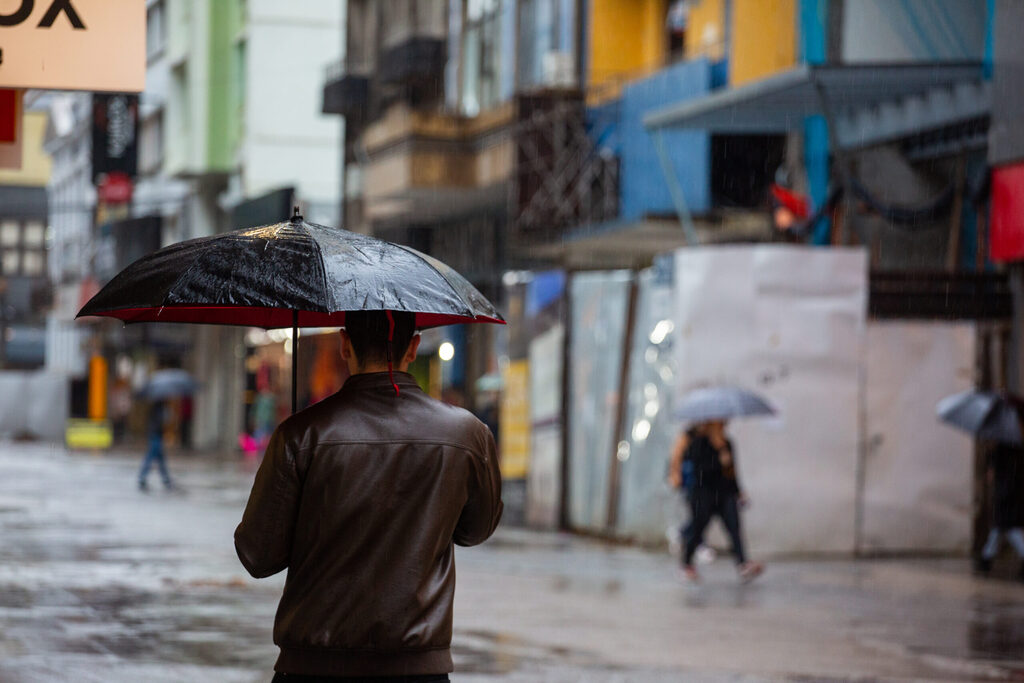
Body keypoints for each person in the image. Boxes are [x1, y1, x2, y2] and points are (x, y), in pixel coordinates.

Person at [235, 310, 503, 682]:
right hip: (418, 672)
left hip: (312, 669)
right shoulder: (467, 434)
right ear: (414, 347)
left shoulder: (302, 434)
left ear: (345, 344)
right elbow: (475, 531)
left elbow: (258, 555)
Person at [668, 420, 762, 582]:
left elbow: (732, 472)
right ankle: (686, 563)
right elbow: (699, 470)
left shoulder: (727, 443)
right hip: (703, 494)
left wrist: (738, 491)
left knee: (734, 527)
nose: (724, 425)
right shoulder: (699, 442)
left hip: (725, 493)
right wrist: (719, 460)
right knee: (698, 528)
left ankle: (742, 563)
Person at [975, 442, 1024, 579]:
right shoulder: (1011, 453)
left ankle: (985, 561)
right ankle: (985, 560)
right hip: (1008, 505)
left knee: (1011, 532)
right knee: (997, 533)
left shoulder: (1004, 456)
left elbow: (1005, 484)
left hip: (1007, 505)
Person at [139, 398, 174, 491]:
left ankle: (166, 479)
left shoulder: (157, 408)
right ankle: (143, 477)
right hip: (156, 436)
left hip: (156, 435)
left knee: (160, 459)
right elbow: (162, 422)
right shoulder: (159, 409)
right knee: (151, 457)